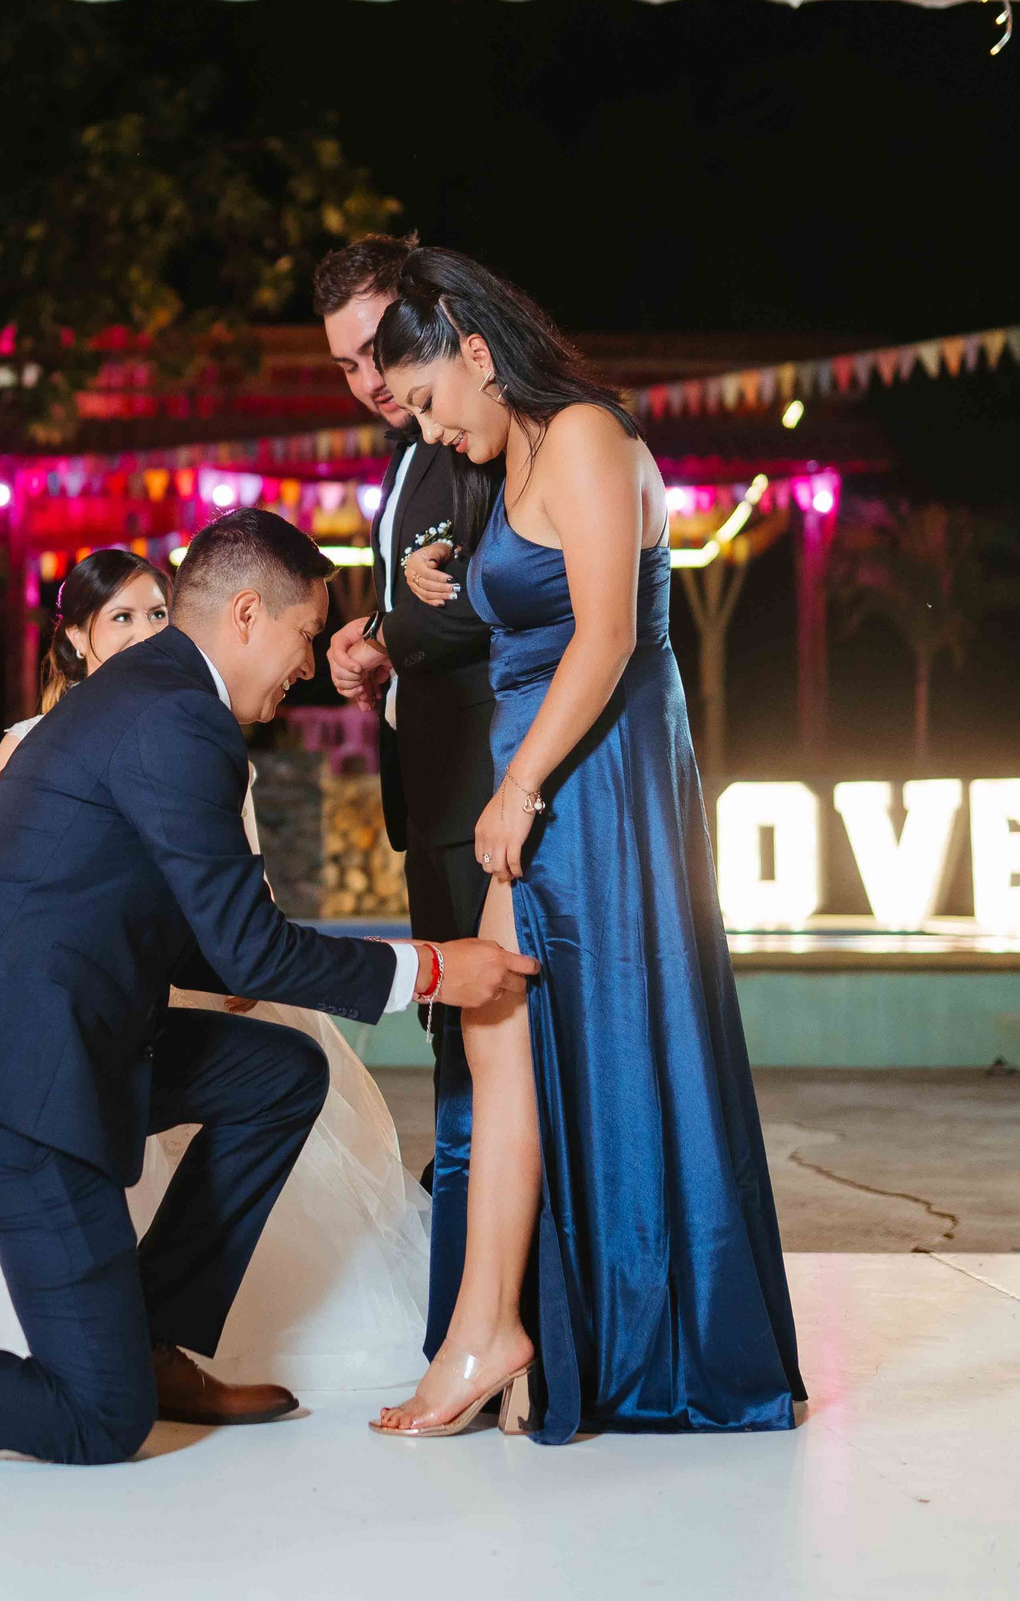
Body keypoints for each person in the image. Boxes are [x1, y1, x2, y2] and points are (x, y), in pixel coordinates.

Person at [0, 509, 541, 1465]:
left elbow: (131, 902)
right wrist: (440, 967)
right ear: (247, 614)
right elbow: (248, 947)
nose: (304, 665)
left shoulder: (150, 692)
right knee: (99, 1418)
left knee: (281, 1074)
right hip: (8, 1092)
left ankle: (153, 1337)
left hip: (55, 1040)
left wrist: (244, 961)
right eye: (301, 634)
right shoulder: (178, 716)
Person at [369, 247, 805, 1443]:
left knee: (570, 1039)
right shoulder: (510, 453)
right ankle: (493, 1331)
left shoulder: (584, 440)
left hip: (595, 781)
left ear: (470, 348)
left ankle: (511, 1335)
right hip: (543, 777)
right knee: (500, 1034)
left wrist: (516, 789)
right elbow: (517, 622)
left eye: (423, 401)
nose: (426, 429)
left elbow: (606, 636)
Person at [314, 235, 503, 1359]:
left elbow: (497, 592)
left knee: (482, 1037)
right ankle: (463, 1287)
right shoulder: (407, 456)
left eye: (378, 348)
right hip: (428, 786)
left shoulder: (471, 434)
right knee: (450, 1034)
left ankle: (481, 1293)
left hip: (484, 790)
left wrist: (381, 634)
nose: (370, 380)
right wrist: (369, 631)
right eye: (343, 365)